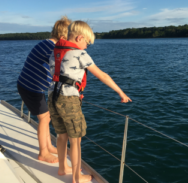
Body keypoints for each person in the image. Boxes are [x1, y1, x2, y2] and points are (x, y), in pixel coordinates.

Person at [48, 20, 132, 183]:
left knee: (61, 135)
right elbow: (102, 75)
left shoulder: (55, 51)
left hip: (52, 95)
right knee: (76, 139)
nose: (87, 45)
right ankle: (76, 178)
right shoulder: (80, 54)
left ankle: (62, 168)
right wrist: (121, 92)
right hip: (68, 99)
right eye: (87, 42)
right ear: (79, 38)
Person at [17, 16, 72, 163]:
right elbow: (61, 67)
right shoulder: (52, 48)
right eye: (69, 39)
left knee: (46, 117)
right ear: (61, 37)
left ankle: (48, 146)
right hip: (30, 88)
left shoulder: (46, 43)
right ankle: (43, 152)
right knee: (44, 119)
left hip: (33, 87)